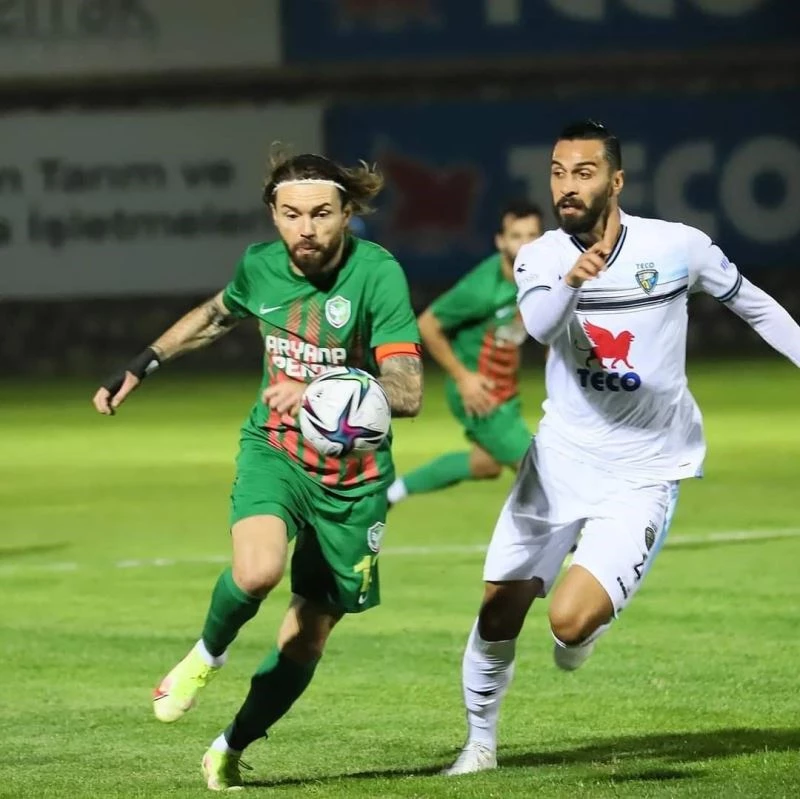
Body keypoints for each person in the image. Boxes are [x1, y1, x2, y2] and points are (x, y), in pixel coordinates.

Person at [444, 120, 800, 775]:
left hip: (645, 469)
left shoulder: (678, 247)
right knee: (497, 608)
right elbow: (540, 327)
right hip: (559, 461)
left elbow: (754, 305)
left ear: (616, 181)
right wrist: (574, 280)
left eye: (583, 173)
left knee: (568, 622)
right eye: (558, 172)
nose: (567, 186)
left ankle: (589, 618)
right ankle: (479, 745)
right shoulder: (541, 256)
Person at [92, 149, 423, 791]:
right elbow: (216, 316)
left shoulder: (377, 274)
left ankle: (232, 744)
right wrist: (143, 362)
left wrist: (320, 391)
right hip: (275, 450)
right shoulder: (260, 266)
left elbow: (407, 392)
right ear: (273, 213)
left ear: (347, 213)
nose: (306, 229)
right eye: (291, 214)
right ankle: (205, 656)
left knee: (306, 638)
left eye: (321, 214)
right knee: (257, 571)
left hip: (353, 484)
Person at [387, 201, 542, 506]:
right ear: (500, 241)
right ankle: (568, 534)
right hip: (479, 393)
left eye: (532, 235)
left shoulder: (540, 277)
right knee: (536, 469)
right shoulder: (482, 289)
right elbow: (428, 324)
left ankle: (392, 492)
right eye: (516, 236)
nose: (525, 245)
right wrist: (463, 378)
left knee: (486, 464)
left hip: (505, 391)